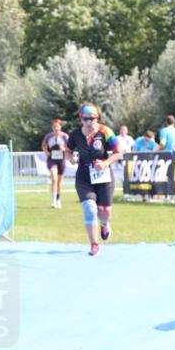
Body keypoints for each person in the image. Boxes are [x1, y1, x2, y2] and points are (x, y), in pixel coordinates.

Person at [64, 104, 122, 256]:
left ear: (97, 118)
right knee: (90, 209)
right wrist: (71, 158)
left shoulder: (106, 131)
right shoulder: (75, 135)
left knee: (104, 210)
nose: (89, 122)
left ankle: (104, 224)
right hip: (84, 176)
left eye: (92, 119)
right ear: (81, 119)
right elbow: (67, 151)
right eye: (86, 119)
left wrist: (105, 163)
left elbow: (118, 153)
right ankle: (94, 244)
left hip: (104, 176)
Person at [41, 118, 69, 208]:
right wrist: (46, 152)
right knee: (54, 179)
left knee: (59, 182)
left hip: (61, 160)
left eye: (57, 126)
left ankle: (58, 199)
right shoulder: (48, 136)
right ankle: (53, 201)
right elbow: (43, 145)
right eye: (54, 126)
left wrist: (64, 149)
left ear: (60, 127)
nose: (56, 128)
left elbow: (70, 148)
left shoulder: (65, 136)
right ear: (52, 127)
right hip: (51, 159)